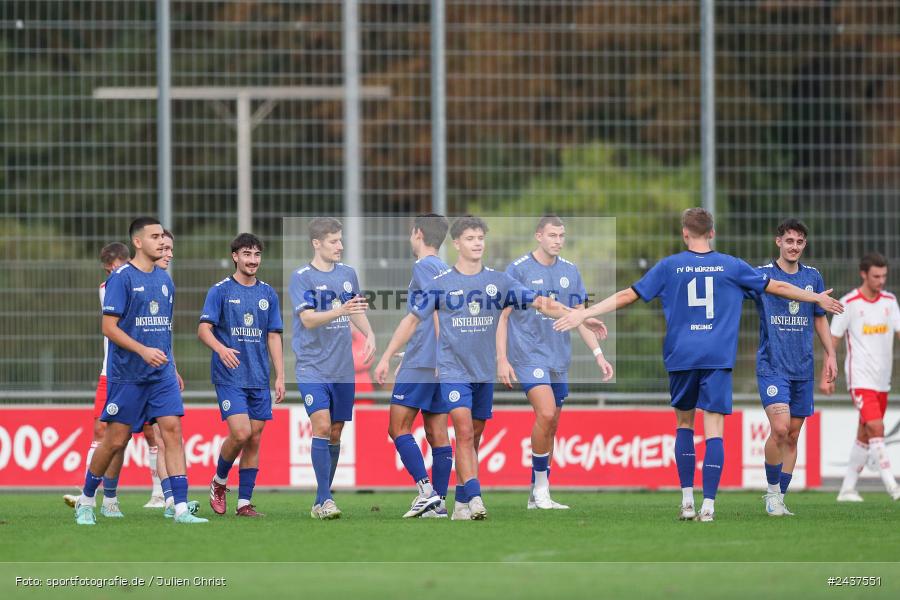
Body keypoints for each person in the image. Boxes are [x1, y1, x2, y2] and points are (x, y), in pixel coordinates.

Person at [554, 208, 843, 522]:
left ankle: (687, 501)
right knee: (714, 431)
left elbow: (628, 294)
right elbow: (780, 287)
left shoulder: (669, 266)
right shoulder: (732, 265)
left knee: (684, 425)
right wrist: (815, 299)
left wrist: (583, 313)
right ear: (713, 233)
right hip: (717, 359)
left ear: (684, 233)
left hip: (681, 357)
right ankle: (709, 507)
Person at [393, 215, 597, 521]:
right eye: (471, 238)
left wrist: (578, 315)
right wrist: (389, 356)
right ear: (457, 243)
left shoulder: (498, 281)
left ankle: (461, 502)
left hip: (481, 370)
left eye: (480, 238)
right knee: (462, 430)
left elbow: (540, 302)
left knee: (474, 434)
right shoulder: (440, 282)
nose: (477, 244)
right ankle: (474, 497)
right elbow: (414, 319)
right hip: (452, 369)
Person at [73, 217, 207, 525]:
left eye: (163, 236)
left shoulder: (165, 280)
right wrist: (142, 351)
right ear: (138, 242)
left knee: (172, 433)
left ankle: (182, 508)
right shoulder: (121, 278)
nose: (162, 242)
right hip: (128, 375)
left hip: (161, 376)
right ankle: (87, 499)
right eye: (155, 236)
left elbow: (164, 330)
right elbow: (109, 327)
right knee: (115, 441)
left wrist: (171, 366)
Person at [496, 215, 613, 510]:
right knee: (546, 414)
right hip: (527, 354)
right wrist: (502, 358)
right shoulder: (519, 269)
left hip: (558, 357)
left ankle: (537, 492)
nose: (558, 240)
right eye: (552, 235)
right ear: (539, 236)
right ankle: (542, 490)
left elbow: (577, 316)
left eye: (561, 235)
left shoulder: (570, 272)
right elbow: (504, 315)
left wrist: (599, 355)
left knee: (552, 425)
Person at [289, 217, 376, 520]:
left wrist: (370, 334)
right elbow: (308, 319)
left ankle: (319, 499)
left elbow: (355, 310)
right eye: (333, 241)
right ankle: (326, 499)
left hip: (342, 369)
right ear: (317, 243)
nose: (340, 246)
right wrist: (341, 309)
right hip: (312, 366)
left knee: (336, 432)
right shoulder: (301, 277)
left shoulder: (348, 274)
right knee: (322, 425)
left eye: (340, 240)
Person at [747, 218, 836, 516]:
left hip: (802, 367)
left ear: (804, 245)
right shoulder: (763, 276)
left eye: (799, 242)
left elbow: (820, 317)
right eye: (789, 241)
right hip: (772, 365)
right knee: (781, 428)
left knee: (794, 435)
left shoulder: (813, 277)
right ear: (778, 242)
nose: (794, 246)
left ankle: (780, 497)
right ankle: (771, 493)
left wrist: (831, 355)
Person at [374, 214, 453, 518]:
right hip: (433, 361)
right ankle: (439, 503)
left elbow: (436, 311)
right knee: (437, 432)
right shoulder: (445, 268)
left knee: (397, 427)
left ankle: (426, 491)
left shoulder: (423, 266)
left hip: (425, 361)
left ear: (418, 234)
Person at [201, 233, 285, 517]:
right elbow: (203, 330)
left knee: (254, 439)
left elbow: (273, 336)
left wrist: (280, 375)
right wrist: (221, 349)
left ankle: (244, 503)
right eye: (247, 254)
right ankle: (219, 482)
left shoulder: (267, 294)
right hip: (230, 376)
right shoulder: (220, 291)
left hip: (259, 377)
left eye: (257, 255)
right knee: (240, 433)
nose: (253, 260)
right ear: (235, 256)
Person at [824, 252, 900, 502]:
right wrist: (828, 376)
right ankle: (893, 487)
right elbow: (831, 342)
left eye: (884, 276)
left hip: (882, 380)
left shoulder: (890, 301)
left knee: (865, 433)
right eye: (876, 276)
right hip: (860, 380)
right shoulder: (849, 303)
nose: (881, 281)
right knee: (877, 426)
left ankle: (847, 489)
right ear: (864, 274)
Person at [63, 242, 131, 509]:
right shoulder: (107, 289)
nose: (112, 273)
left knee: (156, 435)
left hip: (144, 373)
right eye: (109, 269)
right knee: (103, 431)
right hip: (111, 372)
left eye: (115, 267)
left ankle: (167, 497)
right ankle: (90, 494)